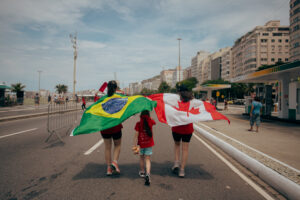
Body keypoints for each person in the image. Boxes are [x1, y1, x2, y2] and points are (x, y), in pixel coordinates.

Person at [100, 80, 123, 176]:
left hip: (105, 127)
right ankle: (114, 162)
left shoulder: (102, 99)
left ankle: (109, 169)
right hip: (116, 126)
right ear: (116, 89)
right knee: (117, 145)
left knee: (107, 147)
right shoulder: (119, 98)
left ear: (107, 88)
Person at [171, 83, 194, 178]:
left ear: (179, 93)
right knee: (185, 149)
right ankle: (182, 170)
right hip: (188, 129)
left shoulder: (175, 102)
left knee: (177, 145)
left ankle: (176, 163)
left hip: (176, 128)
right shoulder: (193, 102)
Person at [133, 110, 156, 186]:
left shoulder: (138, 124)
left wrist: (135, 145)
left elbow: (136, 136)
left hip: (140, 145)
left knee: (141, 158)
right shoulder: (150, 122)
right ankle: (148, 174)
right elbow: (154, 121)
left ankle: (142, 171)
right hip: (148, 145)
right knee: (148, 159)